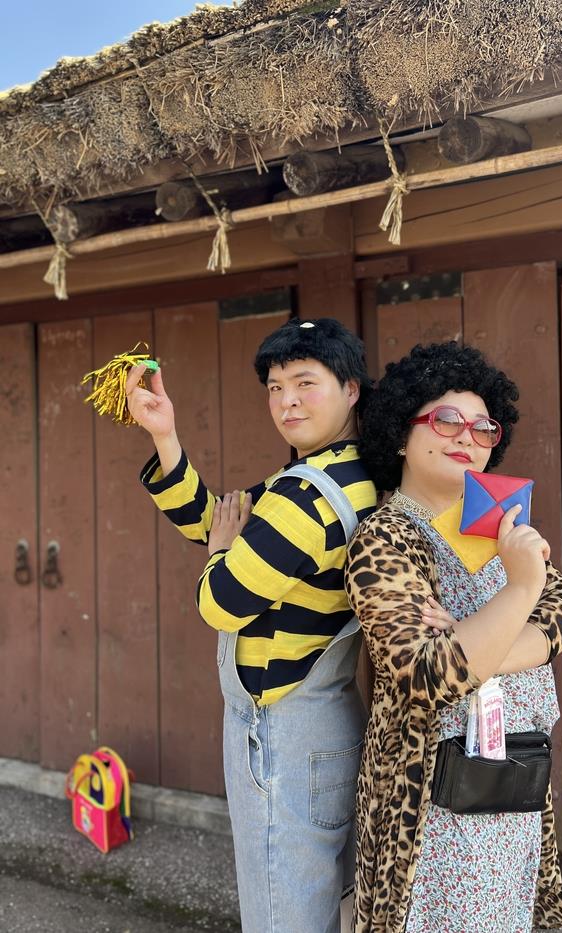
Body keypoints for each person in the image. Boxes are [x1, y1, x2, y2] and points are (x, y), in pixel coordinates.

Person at [125, 317, 377, 933]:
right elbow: (221, 518)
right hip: (329, 715)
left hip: (282, 731)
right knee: (323, 901)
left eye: (305, 383)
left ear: (351, 388)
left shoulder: (305, 496)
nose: (287, 401)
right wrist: (165, 436)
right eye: (275, 387)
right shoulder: (351, 474)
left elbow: (222, 601)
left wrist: (219, 555)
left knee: (280, 911)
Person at [344, 342, 562, 933]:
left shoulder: (497, 522)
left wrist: (475, 643)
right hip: (431, 793)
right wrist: (519, 590)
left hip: (515, 771)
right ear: (401, 435)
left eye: (483, 427)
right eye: (447, 419)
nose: (468, 436)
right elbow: (429, 674)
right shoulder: (385, 538)